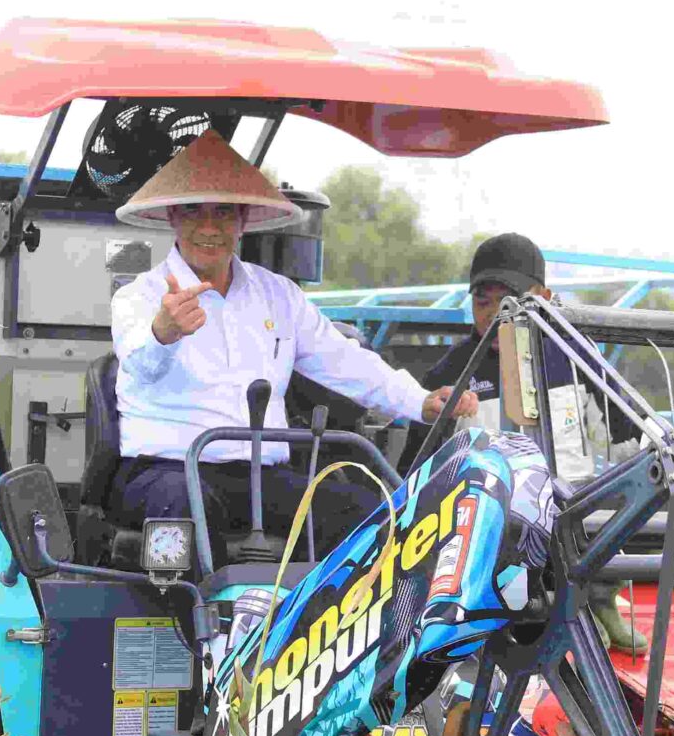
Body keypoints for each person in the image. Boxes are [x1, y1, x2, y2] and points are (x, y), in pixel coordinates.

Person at [108, 130, 477, 560]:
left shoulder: (279, 295)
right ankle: (206, 608)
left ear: (243, 220)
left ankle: (325, 607)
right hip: (163, 471)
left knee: (367, 513)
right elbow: (138, 364)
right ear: (173, 216)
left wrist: (420, 401)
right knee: (184, 508)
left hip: (260, 478)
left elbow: (344, 360)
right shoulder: (138, 296)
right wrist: (164, 333)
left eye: (223, 211)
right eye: (193, 210)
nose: (208, 227)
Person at [410, 233, 649, 651]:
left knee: (613, 496)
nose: (496, 312)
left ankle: (600, 600)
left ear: (545, 297)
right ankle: (543, 620)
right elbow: (418, 471)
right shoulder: (449, 374)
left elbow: (625, 434)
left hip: (570, 507)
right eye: (483, 301)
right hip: (492, 520)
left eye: (511, 299)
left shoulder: (574, 357)